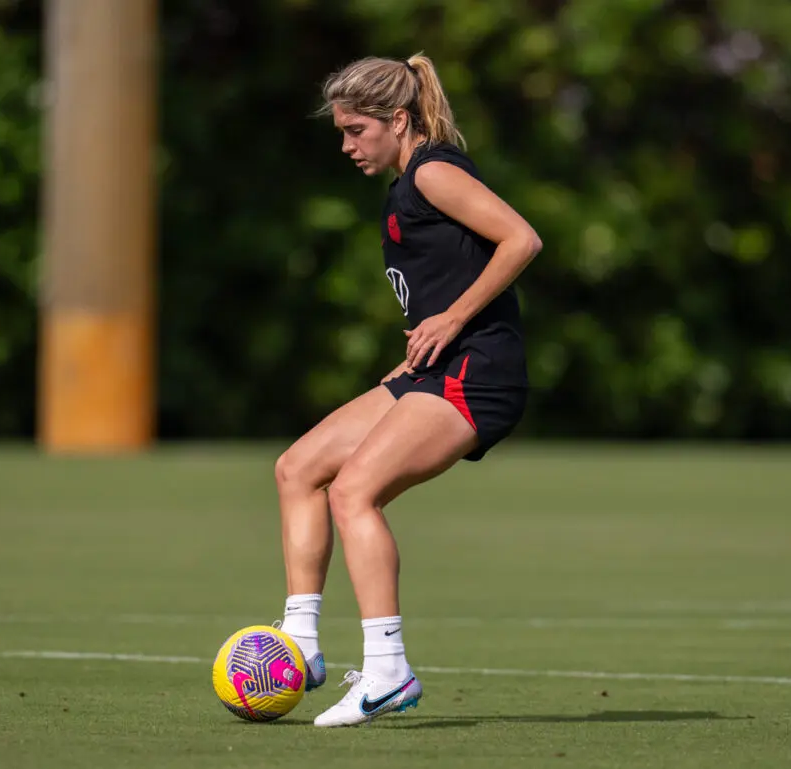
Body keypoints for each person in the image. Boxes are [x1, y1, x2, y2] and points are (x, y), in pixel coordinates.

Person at [274, 53, 542, 727]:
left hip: (477, 370)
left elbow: (522, 238)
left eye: (357, 130)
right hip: (435, 367)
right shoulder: (409, 181)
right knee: (299, 468)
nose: (346, 145)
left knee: (352, 490)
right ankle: (301, 645)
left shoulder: (434, 171)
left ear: (398, 120)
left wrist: (452, 317)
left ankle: (388, 669)